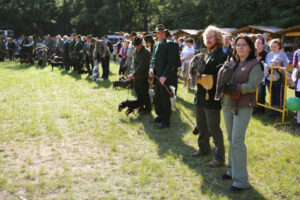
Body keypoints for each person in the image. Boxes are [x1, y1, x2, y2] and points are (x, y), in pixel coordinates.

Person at [221, 34, 264, 193]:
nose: (240, 47)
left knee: (238, 141)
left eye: (244, 45)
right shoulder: (233, 63)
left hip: (243, 106)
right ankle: (232, 171)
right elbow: (225, 81)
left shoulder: (256, 65)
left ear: (250, 47)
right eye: (238, 45)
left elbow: (253, 86)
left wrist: (234, 87)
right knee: (231, 138)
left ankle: (241, 181)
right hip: (227, 104)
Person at [192, 26, 227, 168]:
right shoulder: (206, 55)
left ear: (217, 39)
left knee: (214, 128)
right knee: (201, 125)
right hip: (200, 96)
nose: (208, 40)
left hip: (212, 98)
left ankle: (219, 158)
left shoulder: (221, 56)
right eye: (206, 38)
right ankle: (204, 148)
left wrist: (204, 75)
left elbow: (220, 78)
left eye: (211, 37)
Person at [149, 24, 176, 129]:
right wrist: (151, 68)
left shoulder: (169, 45)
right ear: (156, 34)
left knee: (165, 99)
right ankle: (159, 116)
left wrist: (164, 76)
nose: (160, 35)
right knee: (158, 97)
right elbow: (153, 59)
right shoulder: (155, 45)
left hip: (165, 77)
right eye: (158, 33)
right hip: (156, 76)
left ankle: (166, 121)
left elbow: (171, 63)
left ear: (165, 34)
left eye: (162, 33)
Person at [128, 36, 152, 114]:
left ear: (141, 44)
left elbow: (141, 66)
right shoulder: (135, 50)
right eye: (135, 45)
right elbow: (133, 62)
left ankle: (148, 109)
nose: (136, 47)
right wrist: (132, 71)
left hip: (143, 76)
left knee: (144, 93)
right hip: (136, 76)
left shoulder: (146, 52)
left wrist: (133, 74)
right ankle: (140, 107)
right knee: (138, 92)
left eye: (138, 45)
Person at [265, 38, 288, 117]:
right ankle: (272, 111)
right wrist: (267, 69)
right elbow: (266, 65)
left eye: (274, 46)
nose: (273, 48)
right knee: (271, 94)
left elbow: (285, 67)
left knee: (278, 95)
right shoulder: (269, 54)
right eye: (271, 47)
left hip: (279, 79)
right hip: (270, 78)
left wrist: (279, 67)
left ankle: (278, 112)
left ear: (279, 46)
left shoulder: (282, 54)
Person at [253, 38, 268, 114]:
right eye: (256, 42)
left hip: (262, 78)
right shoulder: (252, 53)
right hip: (252, 77)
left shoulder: (266, 54)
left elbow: (267, 66)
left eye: (259, 43)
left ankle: (260, 109)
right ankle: (253, 108)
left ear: (263, 45)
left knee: (261, 93)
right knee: (253, 93)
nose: (257, 44)